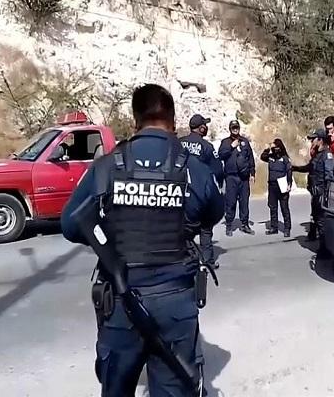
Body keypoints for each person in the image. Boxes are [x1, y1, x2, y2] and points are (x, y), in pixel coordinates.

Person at [60, 84, 224, 397]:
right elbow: (214, 213)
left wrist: (111, 236)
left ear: (135, 120)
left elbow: (70, 225)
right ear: (173, 121)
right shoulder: (193, 168)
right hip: (175, 301)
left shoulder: (107, 166)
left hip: (121, 301)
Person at [180, 114, 225, 269]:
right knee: (206, 227)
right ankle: (207, 261)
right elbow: (218, 171)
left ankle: (186, 258)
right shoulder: (207, 147)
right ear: (201, 128)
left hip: (181, 194)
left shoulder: (179, 143)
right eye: (204, 125)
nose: (206, 127)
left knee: (183, 228)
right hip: (201, 194)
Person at [293, 128, 334, 256]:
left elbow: (329, 176)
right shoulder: (317, 154)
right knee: (316, 218)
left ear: (320, 140)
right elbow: (309, 168)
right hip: (315, 192)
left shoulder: (327, 155)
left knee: (321, 221)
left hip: (321, 192)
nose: (312, 142)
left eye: (314, 139)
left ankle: (325, 250)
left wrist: (325, 194)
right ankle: (320, 245)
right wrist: (295, 168)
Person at [218, 119, 256, 236]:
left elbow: (250, 158)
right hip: (231, 177)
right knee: (231, 202)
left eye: (237, 127)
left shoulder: (244, 141)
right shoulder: (225, 142)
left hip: (244, 177)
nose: (235, 129)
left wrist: (252, 173)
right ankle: (229, 225)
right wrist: (231, 147)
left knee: (244, 202)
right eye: (233, 128)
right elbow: (220, 155)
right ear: (230, 129)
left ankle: (245, 224)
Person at [260, 138, 292, 237]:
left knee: (284, 208)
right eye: (274, 148)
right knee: (272, 207)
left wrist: (289, 183)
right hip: (272, 185)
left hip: (282, 184)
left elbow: (289, 171)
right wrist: (267, 149)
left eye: (277, 147)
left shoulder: (285, 158)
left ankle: (287, 228)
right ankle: (274, 227)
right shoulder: (270, 157)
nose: (275, 150)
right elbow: (262, 157)